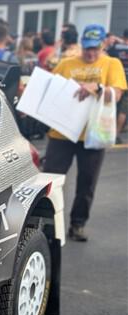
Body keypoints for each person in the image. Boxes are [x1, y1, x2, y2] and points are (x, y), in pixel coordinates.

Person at [42, 25, 127, 241]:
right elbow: (51, 89)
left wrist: (96, 87)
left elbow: (116, 95)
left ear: (102, 45)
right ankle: (46, 223)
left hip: (93, 134)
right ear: (81, 45)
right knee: (51, 178)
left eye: (95, 48)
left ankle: (77, 224)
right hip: (62, 133)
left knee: (87, 182)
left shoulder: (111, 63)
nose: (91, 53)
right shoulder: (66, 64)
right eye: (87, 49)